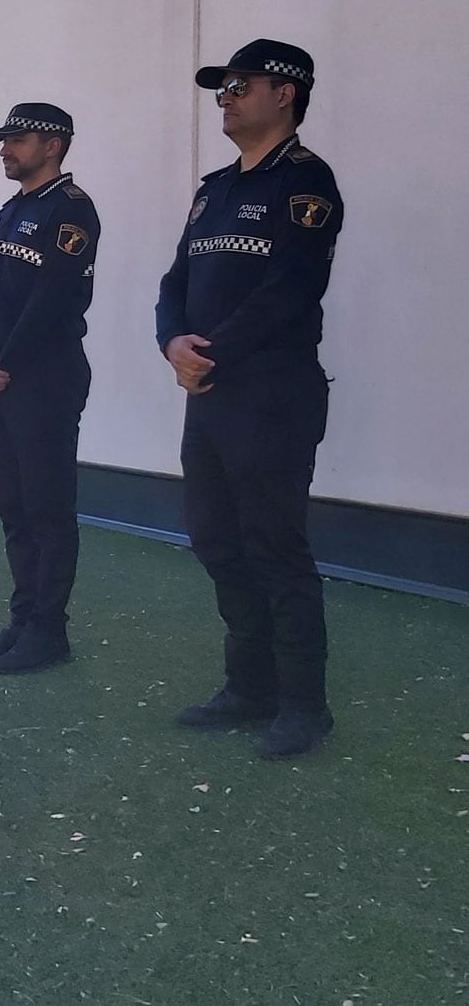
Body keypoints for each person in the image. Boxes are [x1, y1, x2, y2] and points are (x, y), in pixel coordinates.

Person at [157, 38, 344, 760]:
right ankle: (250, 685)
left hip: (270, 393)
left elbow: (290, 290)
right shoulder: (215, 187)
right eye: (221, 86)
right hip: (208, 392)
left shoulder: (306, 184)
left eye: (241, 84)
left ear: (285, 94)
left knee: (274, 547)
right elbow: (176, 280)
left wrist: (211, 354)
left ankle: (304, 704)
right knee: (215, 539)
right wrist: (172, 339)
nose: (225, 96)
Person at [0, 103, 101, 674]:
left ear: (53, 144)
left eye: (17, 139)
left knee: (47, 509)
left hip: (43, 378)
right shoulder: (6, 213)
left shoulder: (71, 211)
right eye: (3, 140)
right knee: (15, 509)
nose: (5, 149)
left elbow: (55, 300)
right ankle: (23, 619)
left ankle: (49, 631)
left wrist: (4, 363)